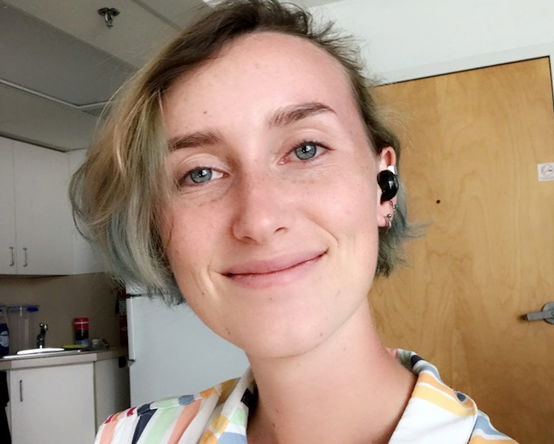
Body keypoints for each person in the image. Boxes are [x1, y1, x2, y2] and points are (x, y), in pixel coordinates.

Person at [71, 1, 516, 443]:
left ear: (384, 186)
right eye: (200, 173)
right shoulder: (128, 436)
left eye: (306, 149)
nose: (260, 220)